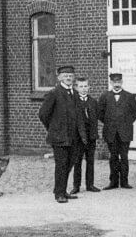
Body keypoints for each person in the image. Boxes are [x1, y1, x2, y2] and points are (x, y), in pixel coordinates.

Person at [38, 64, 83, 203]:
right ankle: (59, 194)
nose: (68, 78)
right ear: (59, 78)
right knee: (61, 165)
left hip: (73, 137)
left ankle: (63, 190)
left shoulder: (75, 94)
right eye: (65, 76)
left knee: (70, 163)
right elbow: (43, 114)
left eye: (70, 76)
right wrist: (53, 129)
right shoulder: (54, 93)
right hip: (59, 137)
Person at [97, 71, 136, 190]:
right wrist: (109, 122)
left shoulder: (129, 96)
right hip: (110, 132)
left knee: (124, 157)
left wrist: (126, 122)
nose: (117, 84)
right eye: (114, 82)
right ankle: (113, 182)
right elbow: (100, 113)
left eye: (119, 82)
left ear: (122, 82)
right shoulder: (105, 96)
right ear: (111, 82)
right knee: (113, 157)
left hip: (125, 132)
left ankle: (125, 182)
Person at [71, 77, 100, 195]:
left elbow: (97, 117)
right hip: (78, 137)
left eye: (86, 86)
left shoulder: (93, 102)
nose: (84, 89)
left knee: (90, 161)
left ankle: (90, 184)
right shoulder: (73, 101)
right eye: (81, 86)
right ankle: (76, 186)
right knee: (77, 161)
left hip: (91, 136)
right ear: (76, 88)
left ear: (89, 87)